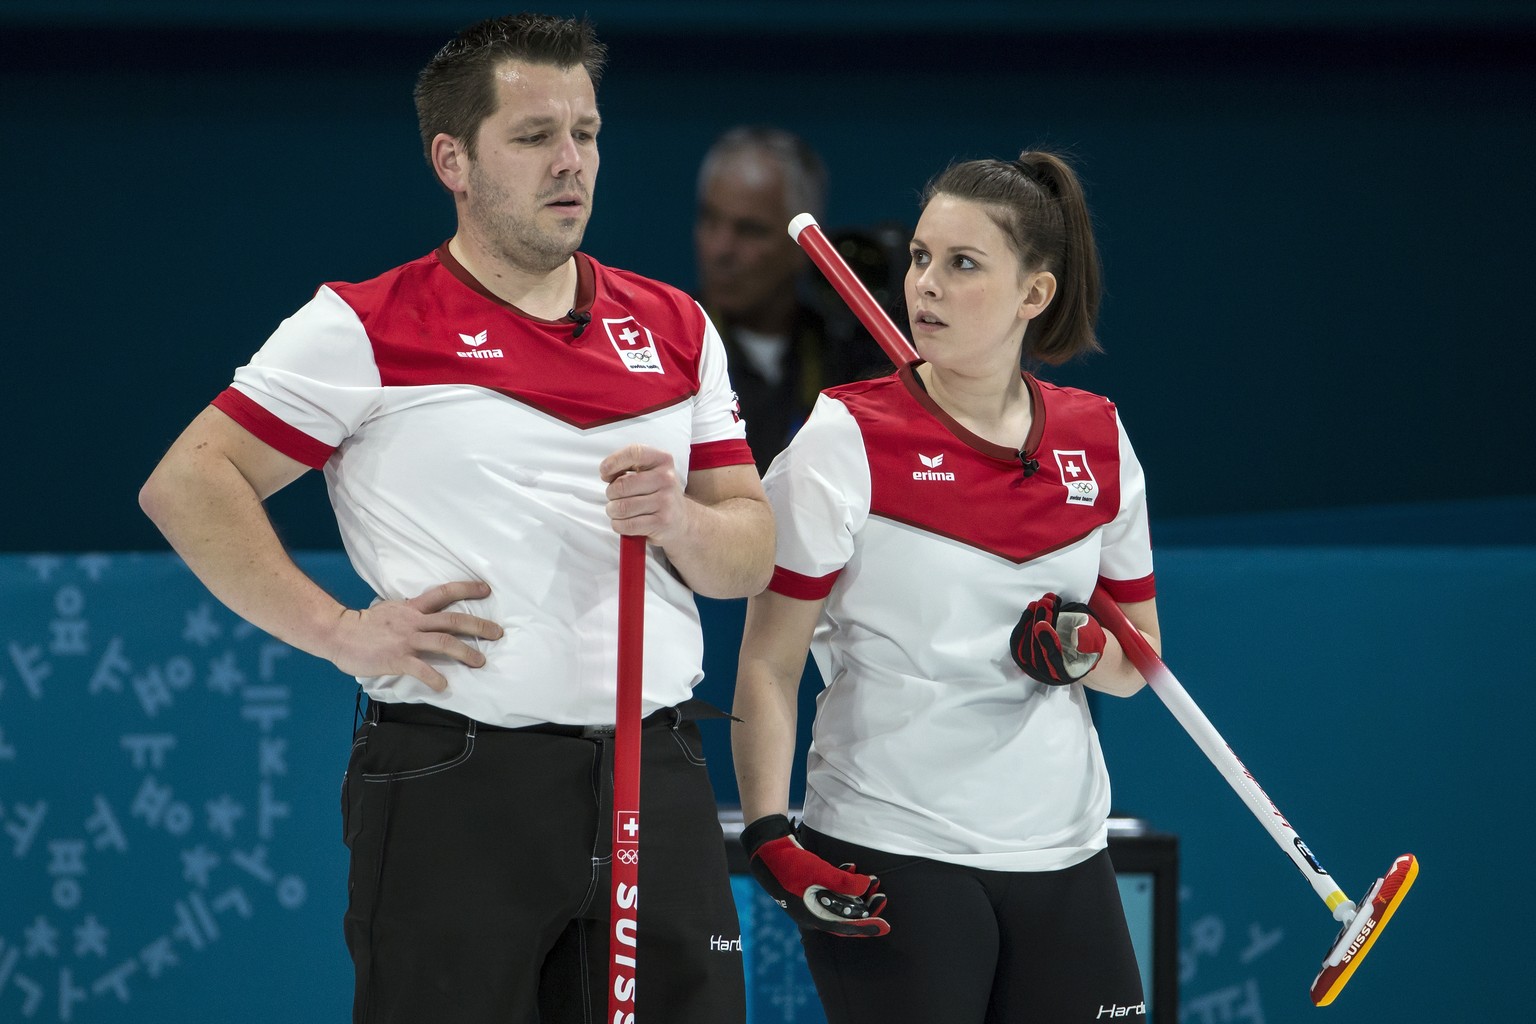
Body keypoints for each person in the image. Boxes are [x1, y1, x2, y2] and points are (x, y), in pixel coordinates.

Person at [138, 13, 771, 1024]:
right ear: (453, 160)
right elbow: (188, 482)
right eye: (532, 137)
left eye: (588, 133)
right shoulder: (365, 325)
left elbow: (747, 551)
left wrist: (684, 527)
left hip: (658, 770)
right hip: (458, 777)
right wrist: (339, 632)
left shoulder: (674, 325)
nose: (571, 163)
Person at [731, 150, 1160, 1023]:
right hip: (893, 846)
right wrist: (770, 834)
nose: (924, 284)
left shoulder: (1100, 439)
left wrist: (1080, 651)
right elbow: (769, 664)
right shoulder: (843, 438)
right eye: (922, 258)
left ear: (1033, 295)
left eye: (962, 264)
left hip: (1064, 850)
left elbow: (1135, 664)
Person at [694, 126, 883, 473]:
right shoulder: (666, 348)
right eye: (710, 219)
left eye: (750, 230)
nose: (720, 248)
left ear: (804, 247)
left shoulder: (852, 366)